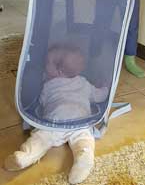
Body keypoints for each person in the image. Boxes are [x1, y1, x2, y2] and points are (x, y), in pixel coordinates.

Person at [5, 43, 108, 184]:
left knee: (41, 137)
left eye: (48, 63)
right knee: (84, 139)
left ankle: (25, 157)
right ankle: (84, 158)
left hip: (55, 120)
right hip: (80, 120)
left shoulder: (48, 85)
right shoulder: (84, 83)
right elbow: (100, 96)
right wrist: (105, 87)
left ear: (59, 72)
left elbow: (41, 102)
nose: (44, 65)